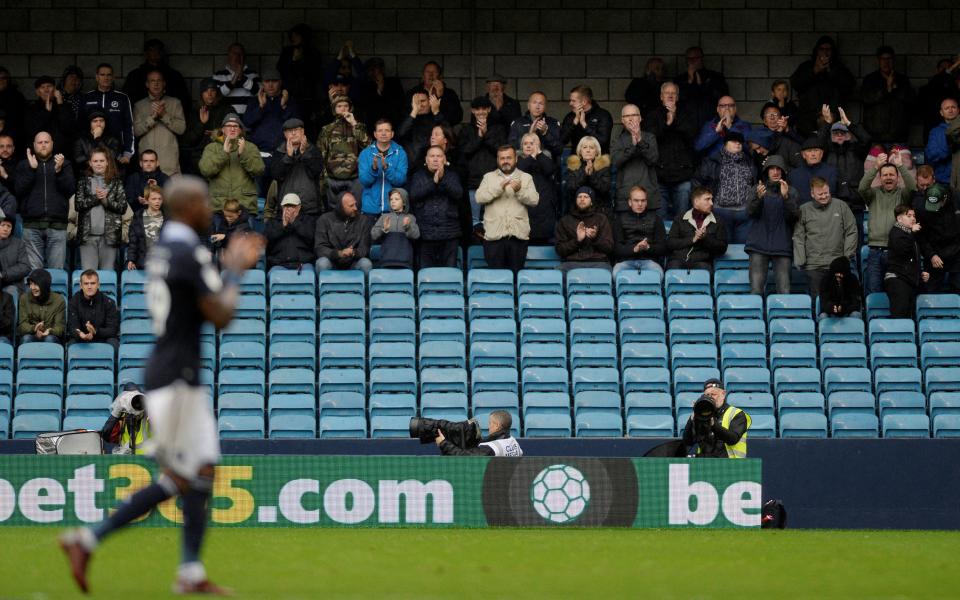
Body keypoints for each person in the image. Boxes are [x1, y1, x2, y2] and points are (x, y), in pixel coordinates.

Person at [60, 176, 263, 595]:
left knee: (196, 472)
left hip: (173, 373)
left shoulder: (165, 248)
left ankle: (186, 570)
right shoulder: (188, 250)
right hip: (176, 379)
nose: (208, 208)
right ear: (188, 207)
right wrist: (236, 271)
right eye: (203, 202)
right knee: (185, 475)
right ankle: (90, 540)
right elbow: (221, 315)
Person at [859, 152, 917, 295]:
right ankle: (875, 318)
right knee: (874, 290)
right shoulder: (872, 194)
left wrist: (901, 166)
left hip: (896, 251)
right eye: (885, 175)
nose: (888, 177)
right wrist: (875, 167)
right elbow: (862, 188)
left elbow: (912, 188)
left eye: (892, 174)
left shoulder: (902, 195)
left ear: (897, 178)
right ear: (880, 178)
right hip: (875, 251)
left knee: (896, 291)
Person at [476, 145, 539, 272]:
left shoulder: (526, 177)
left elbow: (534, 200)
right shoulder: (488, 177)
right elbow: (479, 198)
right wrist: (498, 188)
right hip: (494, 238)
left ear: (516, 159)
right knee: (496, 279)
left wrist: (519, 191)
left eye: (509, 158)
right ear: (498, 160)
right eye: (502, 158)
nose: (505, 161)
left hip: (518, 237)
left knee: (516, 277)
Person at [16, 131, 74, 269]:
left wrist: (58, 170)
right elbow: (19, 190)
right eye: (40, 142)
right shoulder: (24, 165)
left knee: (56, 272)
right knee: (34, 275)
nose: (43, 145)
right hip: (31, 226)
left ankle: (55, 292)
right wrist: (32, 169)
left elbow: (70, 189)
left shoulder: (64, 164)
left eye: (46, 142)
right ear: (34, 145)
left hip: (57, 225)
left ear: (52, 144)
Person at [793, 177, 859, 296]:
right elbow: (798, 236)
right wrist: (800, 259)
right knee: (818, 300)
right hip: (814, 266)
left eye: (826, 193)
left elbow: (851, 231)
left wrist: (846, 256)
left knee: (839, 298)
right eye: (820, 194)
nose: (824, 196)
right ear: (812, 194)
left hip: (837, 264)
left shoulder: (841, 206)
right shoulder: (804, 210)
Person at [745, 156, 800, 295]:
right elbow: (751, 213)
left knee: (784, 291)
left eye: (778, 169)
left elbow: (794, 217)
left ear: (783, 172)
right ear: (766, 172)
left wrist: (786, 198)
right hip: (758, 245)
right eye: (772, 169)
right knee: (756, 290)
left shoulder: (791, 191)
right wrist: (758, 198)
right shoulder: (757, 189)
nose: (775, 172)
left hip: (782, 245)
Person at [645, 81, 698, 219]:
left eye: (673, 93)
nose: (670, 95)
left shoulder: (686, 113)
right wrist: (667, 123)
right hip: (659, 175)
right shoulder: (653, 115)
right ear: (661, 96)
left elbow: (691, 134)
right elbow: (650, 138)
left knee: (681, 219)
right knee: (661, 221)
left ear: (678, 97)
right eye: (666, 93)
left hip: (682, 176)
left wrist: (674, 118)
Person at [693, 131, 757, 244]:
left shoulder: (749, 161)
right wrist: (704, 204)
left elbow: (754, 183)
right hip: (720, 211)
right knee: (723, 248)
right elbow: (698, 182)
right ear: (725, 143)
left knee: (742, 250)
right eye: (733, 141)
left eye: (740, 142)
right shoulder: (712, 161)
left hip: (744, 213)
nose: (738, 144)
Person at [818, 105, 872, 239]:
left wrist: (849, 124)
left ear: (848, 135)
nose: (839, 135)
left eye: (843, 133)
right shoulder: (825, 152)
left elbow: (867, 140)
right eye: (836, 133)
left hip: (854, 204)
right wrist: (827, 123)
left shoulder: (857, 150)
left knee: (856, 242)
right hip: (831, 203)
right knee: (832, 241)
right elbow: (818, 142)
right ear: (831, 136)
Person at [789, 36, 856, 137]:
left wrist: (831, 71)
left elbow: (849, 86)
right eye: (822, 49)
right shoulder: (807, 66)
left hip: (833, 118)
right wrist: (814, 71)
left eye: (828, 49)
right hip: (807, 119)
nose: (825, 52)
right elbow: (795, 83)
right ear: (817, 50)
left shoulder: (839, 68)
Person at [198, 113, 265, 214]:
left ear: (240, 130)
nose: (232, 129)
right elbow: (206, 170)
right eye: (228, 126)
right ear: (223, 129)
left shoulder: (250, 147)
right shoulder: (211, 148)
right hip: (219, 207)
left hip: (244, 207)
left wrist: (244, 154)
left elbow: (259, 170)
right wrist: (223, 154)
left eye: (235, 126)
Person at [409, 146, 463, 268]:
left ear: (444, 159)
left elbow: (458, 193)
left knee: (449, 274)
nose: (435, 159)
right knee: (427, 276)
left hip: (449, 233)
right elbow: (414, 195)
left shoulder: (453, 176)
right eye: (432, 156)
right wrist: (433, 182)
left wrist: (442, 179)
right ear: (426, 160)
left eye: (439, 156)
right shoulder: (418, 176)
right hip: (425, 234)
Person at [459, 96, 508, 230]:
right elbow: (464, 151)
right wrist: (479, 137)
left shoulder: (498, 129)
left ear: (489, 109)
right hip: (472, 182)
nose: (481, 112)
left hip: (494, 182)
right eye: (477, 109)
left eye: (484, 109)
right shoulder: (466, 130)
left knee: (492, 221)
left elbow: (501, 151)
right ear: (472, 111)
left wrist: (486, 134)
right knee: (474, 222)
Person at [74, 148, 127, 270]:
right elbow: (78, 205)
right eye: (95, 161)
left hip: (110, 236)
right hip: (87, 237)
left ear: (107, 162)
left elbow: (122, 207)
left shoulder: (116, 182)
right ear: (90, 163)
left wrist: (105, 201)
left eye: (102, 160)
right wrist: (96, 198)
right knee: (88, 274)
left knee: (107, 275)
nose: (98, 163)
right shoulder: (83, 182)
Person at [242, 68, 298, 180]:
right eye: (267, 81)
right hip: (259, 155)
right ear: (263, 83)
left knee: (282, 194)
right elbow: (247, 122)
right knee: (260, 195)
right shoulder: (254, 101)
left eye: (274, 81)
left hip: (283, 154)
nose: (270, 85)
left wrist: (283, 107)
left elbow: (296, 126)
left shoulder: (289, 101)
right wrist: (261, 107)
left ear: (280, 82)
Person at [317, 97, 368, 213]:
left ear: (350, 108)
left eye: (345, 106)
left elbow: (367, 146)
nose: (343, 109)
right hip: (332, 178)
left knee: (355, 209)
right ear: (334, 109)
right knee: (334, 211)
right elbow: (322, 154)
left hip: (355, 178)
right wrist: (324, 178)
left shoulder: (358, 126)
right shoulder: (327, 130)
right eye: (339, 106)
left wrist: (354, 124)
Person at [133, 69, 186, 176]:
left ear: (164, 83)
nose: (156, 84)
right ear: (147, 84)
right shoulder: (139, 105)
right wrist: (152, 118)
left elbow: (181, 129)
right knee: (148, 193)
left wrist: (164, 116)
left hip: (170, 166)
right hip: (147, 165)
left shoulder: (175, 103)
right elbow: (136, 132)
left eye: (159, 80)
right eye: (152, 81)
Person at [268, 117, 324, 217]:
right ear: (285, 134)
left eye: (297, 130)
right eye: (290, 131)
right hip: (286, 207)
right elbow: (276, 175)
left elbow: (317, 171)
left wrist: (305, 154)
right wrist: (288, 157)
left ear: (303, 132)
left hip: (309, 209)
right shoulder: (279, 152)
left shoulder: (313, 150)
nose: (293, 133)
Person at [611, 104, 661, 215]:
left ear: (640, 118)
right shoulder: (617, 140)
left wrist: (640, 141)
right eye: (627, 116)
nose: (630, 118)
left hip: (649, 197)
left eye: (634, 115)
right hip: (625, 196)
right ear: (622, 120)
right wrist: (632, 146)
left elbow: (653, 159)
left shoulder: (650, 137)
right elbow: (616, 162)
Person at [682, 379, 751, 459]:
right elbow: (688, 441)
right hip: (706, 465)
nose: (710, 398)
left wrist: (714, 425)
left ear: (723, 394)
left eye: (713, 394)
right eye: (707, 395)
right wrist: (693, 417)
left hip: (731, 466)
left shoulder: (736, 413)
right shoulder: (702, 415)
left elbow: (733, 439)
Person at [81, 63, 135, 165]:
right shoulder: (87, 97)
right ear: (97, 77)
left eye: (109, 75)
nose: (106, 78)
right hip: (91, 153)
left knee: (116, 181)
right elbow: (81, 126)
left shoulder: (122, 98)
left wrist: (128, 153)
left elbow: (129, 126)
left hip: (117, 154)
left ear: (113, 77)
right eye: (102, 75)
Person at [860, 46, 915, 146]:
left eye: (889, 59)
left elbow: (911, 100)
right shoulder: (870, 79)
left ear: (893, 60)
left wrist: (895, 88)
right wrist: (886, 89)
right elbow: (866, 98)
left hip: (899, 137)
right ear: (878, 60)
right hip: (875, 137)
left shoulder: (902, 79)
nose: (886, 62)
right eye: (883, 59)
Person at [666, 186, 728, 271]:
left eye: (711, 199)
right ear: (696, 201)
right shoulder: (680, 218)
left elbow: (722, 248)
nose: (711, 203)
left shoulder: (718, 221)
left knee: (704, 272)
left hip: (702, 262)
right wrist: (692, 239)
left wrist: (705, 238)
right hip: (678, 260)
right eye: (707, 199)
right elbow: (670, 244)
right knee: (672, 271)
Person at [914, 181, 960, 292]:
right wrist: (931, 255)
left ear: (944, 199)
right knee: (929, 290)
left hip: (957, 252)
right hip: (934, 253)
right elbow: (921, 236)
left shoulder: (957, 201)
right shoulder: (922, 207)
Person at [885, 205, 930, 319]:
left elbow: (909, 262)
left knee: (908, 317)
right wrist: (912, 233)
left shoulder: (908, 234)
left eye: (914, 216)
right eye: (909, 216)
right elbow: (902, 251)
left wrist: (919, 274)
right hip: (898, 280)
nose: (913, 218)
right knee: (899, 317)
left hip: (907, 280)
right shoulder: (896, 233)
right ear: (899, 219)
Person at [180, 78, 233, 176]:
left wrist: (216, 134)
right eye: (206, 91)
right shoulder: (194, 111)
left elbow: (235, 137)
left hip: (219, 158)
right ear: (201, 94)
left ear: (217, 93)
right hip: (197, 161)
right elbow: (187, 141)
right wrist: (202, 124)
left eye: (212, 91)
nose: (209, 94)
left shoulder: (226, 110)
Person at [612, 185, 667, 278]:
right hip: (626, 262)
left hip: (649, 261)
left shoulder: (656, 219)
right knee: (616, 274)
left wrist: (648, 247)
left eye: (643, 200)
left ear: (646, 202)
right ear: (630, 202)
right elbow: (616, 248)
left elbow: (663, 248)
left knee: (658, 275)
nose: (640, 204)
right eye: (636, 200)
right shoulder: (620, 220)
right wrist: (634, 249)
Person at [555, 186, 614, 271]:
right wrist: (577, 241)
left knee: (608, 272)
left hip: (598, 262)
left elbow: (609, 248)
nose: (582, 199)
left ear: (592, 202)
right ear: (575, 201)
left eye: (586, 197)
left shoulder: (601, 219)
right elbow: (560, 250)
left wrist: (595, 238)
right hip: (572, 262)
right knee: (558, 274)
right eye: (579, 197)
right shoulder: (565, 221)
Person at [358, 119, 408, 219]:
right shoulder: (365, 153)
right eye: (380, 131)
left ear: (392, 134)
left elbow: (401, 181)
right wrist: (374, 169)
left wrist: (386, 168)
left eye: (387, 130)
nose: (383, 133)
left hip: (392, 209)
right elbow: (364, 181)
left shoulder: (400, 152)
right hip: (370, 209)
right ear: (375, 134)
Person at [122, 39, 191, 111]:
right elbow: (126, 100)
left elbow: (184, 101)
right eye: (152, 50)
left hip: (169, 118)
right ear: (145, 53)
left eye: (158, 50)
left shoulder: (174, 76)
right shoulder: (135, 76)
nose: (155, 52)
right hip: (142, 117)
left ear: (163, 53)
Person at [674, 46, 730, 132]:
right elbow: (677, 99)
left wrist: (702, 85)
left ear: (702, 59)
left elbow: (722, 98)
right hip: (686, 127)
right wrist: (690, 81)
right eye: (689, 58)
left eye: (695, 58)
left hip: (710, 124)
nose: (692, 61)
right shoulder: (679, 79)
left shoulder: (715, 77)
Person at [516, 133, 559, 245]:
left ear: (539, 145)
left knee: (543, 238)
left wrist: (539, 153)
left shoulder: (545, 157)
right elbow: (520, 170)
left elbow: (550, 169)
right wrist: (532, 157)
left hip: (544, 206)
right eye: (525, 144)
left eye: (532, 143)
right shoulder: (518, 159)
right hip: (524, 206)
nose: (529, 146)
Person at [314, 191, 371, 273]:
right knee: (322, 263)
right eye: (351, 206)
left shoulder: (363, 221)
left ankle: (364, 286)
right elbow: (320, 248)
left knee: (366, 264)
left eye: (355, 204)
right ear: (341, 207)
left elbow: (365, 248)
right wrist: (339, 253)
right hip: (332, 261)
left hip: (353, 262)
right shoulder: (324, 220)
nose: (355, 208)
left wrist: (353, 252)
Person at [23, 75, 76, 155]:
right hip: (40, 155)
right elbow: (31, 131)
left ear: (55, 90)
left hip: (62, 154)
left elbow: (68, 128)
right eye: (42, 87)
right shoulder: (31, 109)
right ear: (37, 92)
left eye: (49, 86)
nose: (46, 90)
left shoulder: (64, 106)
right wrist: (46, 113)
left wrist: (60, 104)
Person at [67, 269, 119, 348]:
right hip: (81, 338)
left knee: (113, 343)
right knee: (71, 344)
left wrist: (95, 331)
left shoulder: (109, 302)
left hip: (102, 338)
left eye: (93, 283)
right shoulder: (74, 302)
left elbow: (112, 329)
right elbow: (72, 327)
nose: (89, 286)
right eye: (86, 283)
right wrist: (80, 334)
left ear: (98, 285)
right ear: (81, 285)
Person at [435, 410, 522, 457]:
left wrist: (443, 443)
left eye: (490, 423)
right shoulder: (514, 442)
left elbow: (464, 458)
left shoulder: (492, 448)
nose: (489, 427)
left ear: (497, 425)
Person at [264, 193, 316, 271]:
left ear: (299, 207)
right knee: (275, 276)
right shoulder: (273, 222)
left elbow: (311, 238)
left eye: (292, 206)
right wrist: (283, 227)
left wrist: (294, 223)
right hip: (278, 264)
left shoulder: (308, 221)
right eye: (286, 206)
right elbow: (266, 240)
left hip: (303, 263)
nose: (289, 209)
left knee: (307, 275)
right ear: (282, 207)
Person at [371, 187, 419, 269]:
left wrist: (408, 227)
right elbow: (373, 235)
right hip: (386, 260)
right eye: (391, 199)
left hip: (405, 261)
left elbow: (416, 235)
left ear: (404, 202)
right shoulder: (384, 217)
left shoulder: (410, 217)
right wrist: (384, 229)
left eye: (396, 199)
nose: (393, 201)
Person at [398, 89, 448, 166]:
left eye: (423, 101)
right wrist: (414, 111)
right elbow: (401, 133)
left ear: (430, 102)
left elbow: (447, 133)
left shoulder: (436, 117)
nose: (420, 105)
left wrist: (436, 112)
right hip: (413, 164)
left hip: (434, 161)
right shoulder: (410, 118)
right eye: (417, 102)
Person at [404, 61, 462, 126]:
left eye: (435, 72)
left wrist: (441, 97)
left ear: (440, 76)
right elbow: (406, 117)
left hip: (442, 133)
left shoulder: (450, 93)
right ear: (423, 76)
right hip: (419, 133)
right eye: (427, 72)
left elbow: (457, 118)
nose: (431, 75)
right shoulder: (413, 93)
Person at [508, 91, 563, 160]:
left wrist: (545, 133)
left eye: (541, 103)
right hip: (523, 164)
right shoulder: (518, 122)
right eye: (534, 103)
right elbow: (511, 148)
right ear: (528, 105)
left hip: (546, 165)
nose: (537, 107)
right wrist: (529, 134)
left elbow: (558, 150)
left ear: (545, 107)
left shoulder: (553, 123)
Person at [564, 136, 611, 214]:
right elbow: (570, 188)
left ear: (596, 152)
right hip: (577, 210)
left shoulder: (603, 167)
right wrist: (585, 174)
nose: (588, 150)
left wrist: (592, 175)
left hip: (599, 211)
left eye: (591, 148)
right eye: (585, 147)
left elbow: (605, 189)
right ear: (580, 151)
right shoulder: (573, 166)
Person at [560, 85, 614, 154]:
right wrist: (574, 123)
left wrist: (584, 125)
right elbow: (562, 141)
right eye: (570, 100)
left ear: (584, 102)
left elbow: (603, 141)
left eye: (573, 101)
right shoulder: (570, 117)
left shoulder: (603, 115)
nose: (570, 103)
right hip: (576, 160)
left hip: (599, 160)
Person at [18, 268, 66, 344]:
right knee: (26, 339)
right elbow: (22, 325)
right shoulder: (24, 298)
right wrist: (34, 328)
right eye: (30, 284)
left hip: (50, 335)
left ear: (44, 285)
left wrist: (49, 331)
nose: (32, 287)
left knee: (49, 339)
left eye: (35, 284)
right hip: (32, 334)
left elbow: (60, 328)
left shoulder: (59, 300)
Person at [100, 383, 150, 455]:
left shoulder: (148, 415)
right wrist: (116, 412)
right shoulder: (122, 416)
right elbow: (106, 435)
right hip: (126, 461)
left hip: (146, 461)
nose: (134, 403)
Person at [360, 57, 405, 133]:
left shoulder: (394, 83)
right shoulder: (366, 87)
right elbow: (368, 107)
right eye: (371, 69)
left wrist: (382, 89)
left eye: (376, 68)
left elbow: (398, 103)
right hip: (373, 128)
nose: (374, 72)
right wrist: (378, 90)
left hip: (392, 126)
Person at [213, 42, 259, 115]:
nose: (237, 56)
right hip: (226, 121)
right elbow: (215, 97)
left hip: (248, 121)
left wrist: (242, 78)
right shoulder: (218, 76)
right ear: (228, 56)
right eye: (234, 53)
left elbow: (260, 93)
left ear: (244, 57)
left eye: (240, 54)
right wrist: (233, 81)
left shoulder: (253, 74)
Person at [126, 184, 165, 270]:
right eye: (154, 199)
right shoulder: (138, 217)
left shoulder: (167, 218)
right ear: (146, 200)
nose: (157, 201)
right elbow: (133, 241)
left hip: (163, 263)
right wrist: (131, 259)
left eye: (160, 199)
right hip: (143, 263)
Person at [791, 137, 838, 205]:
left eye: (816, 150)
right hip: (803, 214)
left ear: (821, 154)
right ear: (803, 155)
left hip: (828, 213)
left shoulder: (833, 172)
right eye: (809, 151)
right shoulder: (793, 175)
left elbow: (839, 198)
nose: (813, 154)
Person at [74, 110, 122, 175]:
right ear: (90, 123)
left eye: (101, 121)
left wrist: (98, 139)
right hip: (86, 175)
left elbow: (112, 157)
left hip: (108, 175)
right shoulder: (81, 139)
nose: (99, 124)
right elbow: (78, 160)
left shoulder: (112, 139)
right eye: (95, 121)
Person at [924, 97, 959, 186]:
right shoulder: (935, 132)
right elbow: (932, 155)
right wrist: (950, 146)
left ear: (958, 110)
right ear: (941, 113)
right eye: (947, 108)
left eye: (953, 107)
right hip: (944, 181)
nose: (950, 110)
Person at [818, 257, 862, 321]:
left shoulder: (853, 280)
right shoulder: (826, 280)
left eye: (841, 274)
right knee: (823, 316)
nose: (838, 276)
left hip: (848, 311)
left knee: (856, 315)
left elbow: (856, 303)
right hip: (830, 311)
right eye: (836, 274)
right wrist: (833, 307)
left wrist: (843, 307)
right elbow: (824, 303)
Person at [0, 214, 32, 297]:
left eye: (9, 226)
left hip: (13, 284)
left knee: (10, 292)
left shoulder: (18, 244)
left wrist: (3, 274)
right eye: (3, 225)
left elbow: (25, 266)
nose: (6, 229)